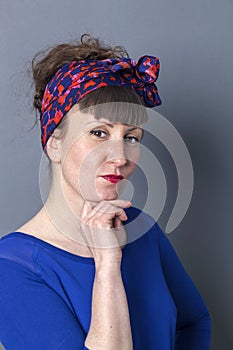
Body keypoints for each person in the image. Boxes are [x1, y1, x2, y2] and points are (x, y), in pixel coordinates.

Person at [0, 34, 211, 350]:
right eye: (99, 133)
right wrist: (108, 266)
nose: (120, 157)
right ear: (54, 143)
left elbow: (195, 321)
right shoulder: (12, 269)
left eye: (132, 137)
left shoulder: (143, 230)